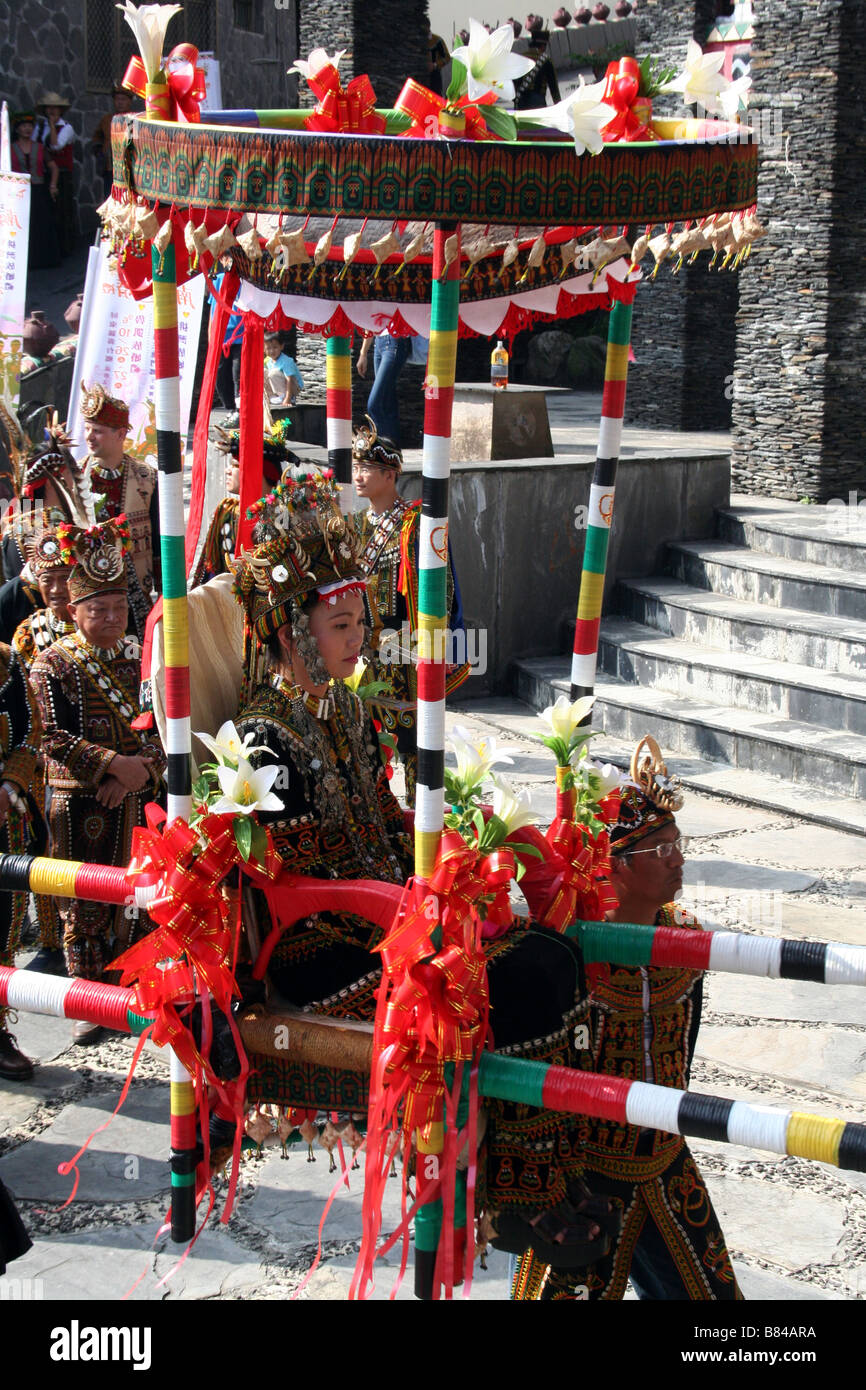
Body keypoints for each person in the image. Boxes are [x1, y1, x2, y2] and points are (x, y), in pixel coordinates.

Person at [229, 470, 612, 1265]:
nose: (359, 638)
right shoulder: (263, 738)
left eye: (361, 620)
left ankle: (538, 1171)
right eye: (340, 625)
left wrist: (453, 860)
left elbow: (389, 822)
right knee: (521, 975)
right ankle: (515, 1190)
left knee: (550, 951)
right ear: (293, 632)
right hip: (326, 947)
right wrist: (411, 905)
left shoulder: (345, 709)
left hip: (388, 919)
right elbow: (302, 883)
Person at [512, 736, 743, 1301]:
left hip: (666, 1162)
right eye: (660, 850)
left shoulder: (685, 938)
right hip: (586, 1173)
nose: (678, 859)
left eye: (677, 844)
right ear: (613, 867)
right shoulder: (570, 952)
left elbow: (685, 1046)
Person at [29, 519, 165, 1039]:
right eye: (98, 609)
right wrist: (111, 763)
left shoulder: (143, 658)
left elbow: (169, 725)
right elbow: (50, 735)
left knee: (140, 901)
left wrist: (140, 771)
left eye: (118, 608)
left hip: (137, 797)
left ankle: (135, 996)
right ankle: (89, 1004)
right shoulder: (51, 664)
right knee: (82, 905)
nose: (111, 619)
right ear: (73, 612)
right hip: (79, 802)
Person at [352, 418, 470, 802]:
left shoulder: (413, 523)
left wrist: (436, 643)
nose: (358, 475)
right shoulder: (352, 527)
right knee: (362, 741)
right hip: (358, 652)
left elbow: (441, 586)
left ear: (390, 475)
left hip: (403, 651)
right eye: (355, 467)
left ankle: (423, 813)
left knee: (412, 742)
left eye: (366, 468)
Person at [12, 528, 75, 976]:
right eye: (48, 580)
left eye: (65, 578)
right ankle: (52, 939)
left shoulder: (99, 621)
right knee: (43, 846)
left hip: (86, 756)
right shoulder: (26, 634)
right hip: (37, 761)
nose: (56, 590)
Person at [78, 383, 160, 640]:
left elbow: (158, 540)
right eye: (88, 429)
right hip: (91, 596)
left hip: (137, 595)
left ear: (121, 434)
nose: (89, 436)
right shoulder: (75, 479)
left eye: (98, 431)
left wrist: (166, 596)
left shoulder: (147, 477)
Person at [0, 642, 42, 1079]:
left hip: (4, 819)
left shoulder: (9, 664)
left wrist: (10, 786)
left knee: (3, 926)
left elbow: (31, 734)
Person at [9, 111, 60, 270]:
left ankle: (45, 260)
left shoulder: (39, 147)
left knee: (42, 224)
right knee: (21, 225)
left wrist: (53, 185)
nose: (27, 129)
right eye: (23, 126)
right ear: (17, 129)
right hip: (18, 192)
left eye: (30, 126)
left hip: (38, 191)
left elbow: (53, 167)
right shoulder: (9, 149)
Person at [35, 92, 77, 257]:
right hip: (43, 173)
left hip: (63, 176)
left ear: (60, 110)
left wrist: (52, 126)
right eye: (49, 108)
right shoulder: (39, 127)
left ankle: (64, 249)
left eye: (55, 108)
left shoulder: (67, 128)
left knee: (62, 211)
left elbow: (56, 146)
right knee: (46, 212)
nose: (51, 111)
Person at [91, 83, 135, 198]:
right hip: (110, 168)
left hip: (129, 170)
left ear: (130, 101)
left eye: (123, 99)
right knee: (110, 197)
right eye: (117, 99)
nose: (120, 102)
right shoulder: (107, 120)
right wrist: (100, 152)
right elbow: (97, 137)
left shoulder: (134, 120)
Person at [264, 332, 304, 408]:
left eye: (275, 347)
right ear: (264, 349)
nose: (272, 351)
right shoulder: (269, 361)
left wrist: (287, 399)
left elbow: (290, 380)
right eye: (268, 348)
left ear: (281, 346)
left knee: (273, 373)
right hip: (280, 386)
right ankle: (272, 397)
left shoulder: (286, 361)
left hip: (293, 387)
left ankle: (286, 397)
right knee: (262, 372)